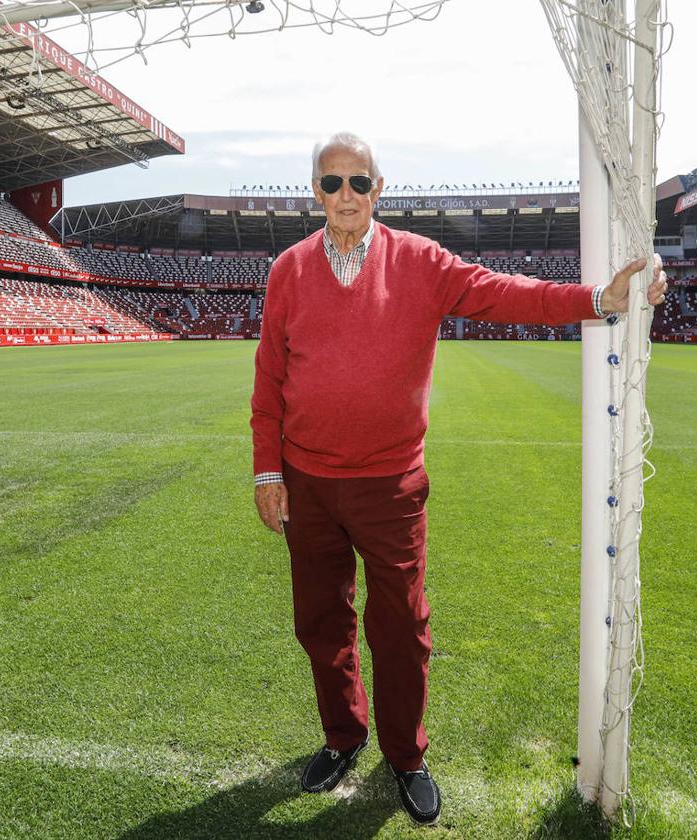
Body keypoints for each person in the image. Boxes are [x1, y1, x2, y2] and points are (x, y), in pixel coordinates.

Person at [249, 131, 666, 826]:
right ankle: (342, 737)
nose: (345, 195)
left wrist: (598, 299)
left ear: (379, 190)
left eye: (359, 182)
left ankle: (406, 756)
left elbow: (505, 295)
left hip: (389, 485)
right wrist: (269, 470)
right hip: (308, 482)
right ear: (314, 193)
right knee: (321, 622)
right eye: (331, 183)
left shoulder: (418, 260)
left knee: (402, 628)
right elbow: (269, 380)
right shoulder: (288, 270)